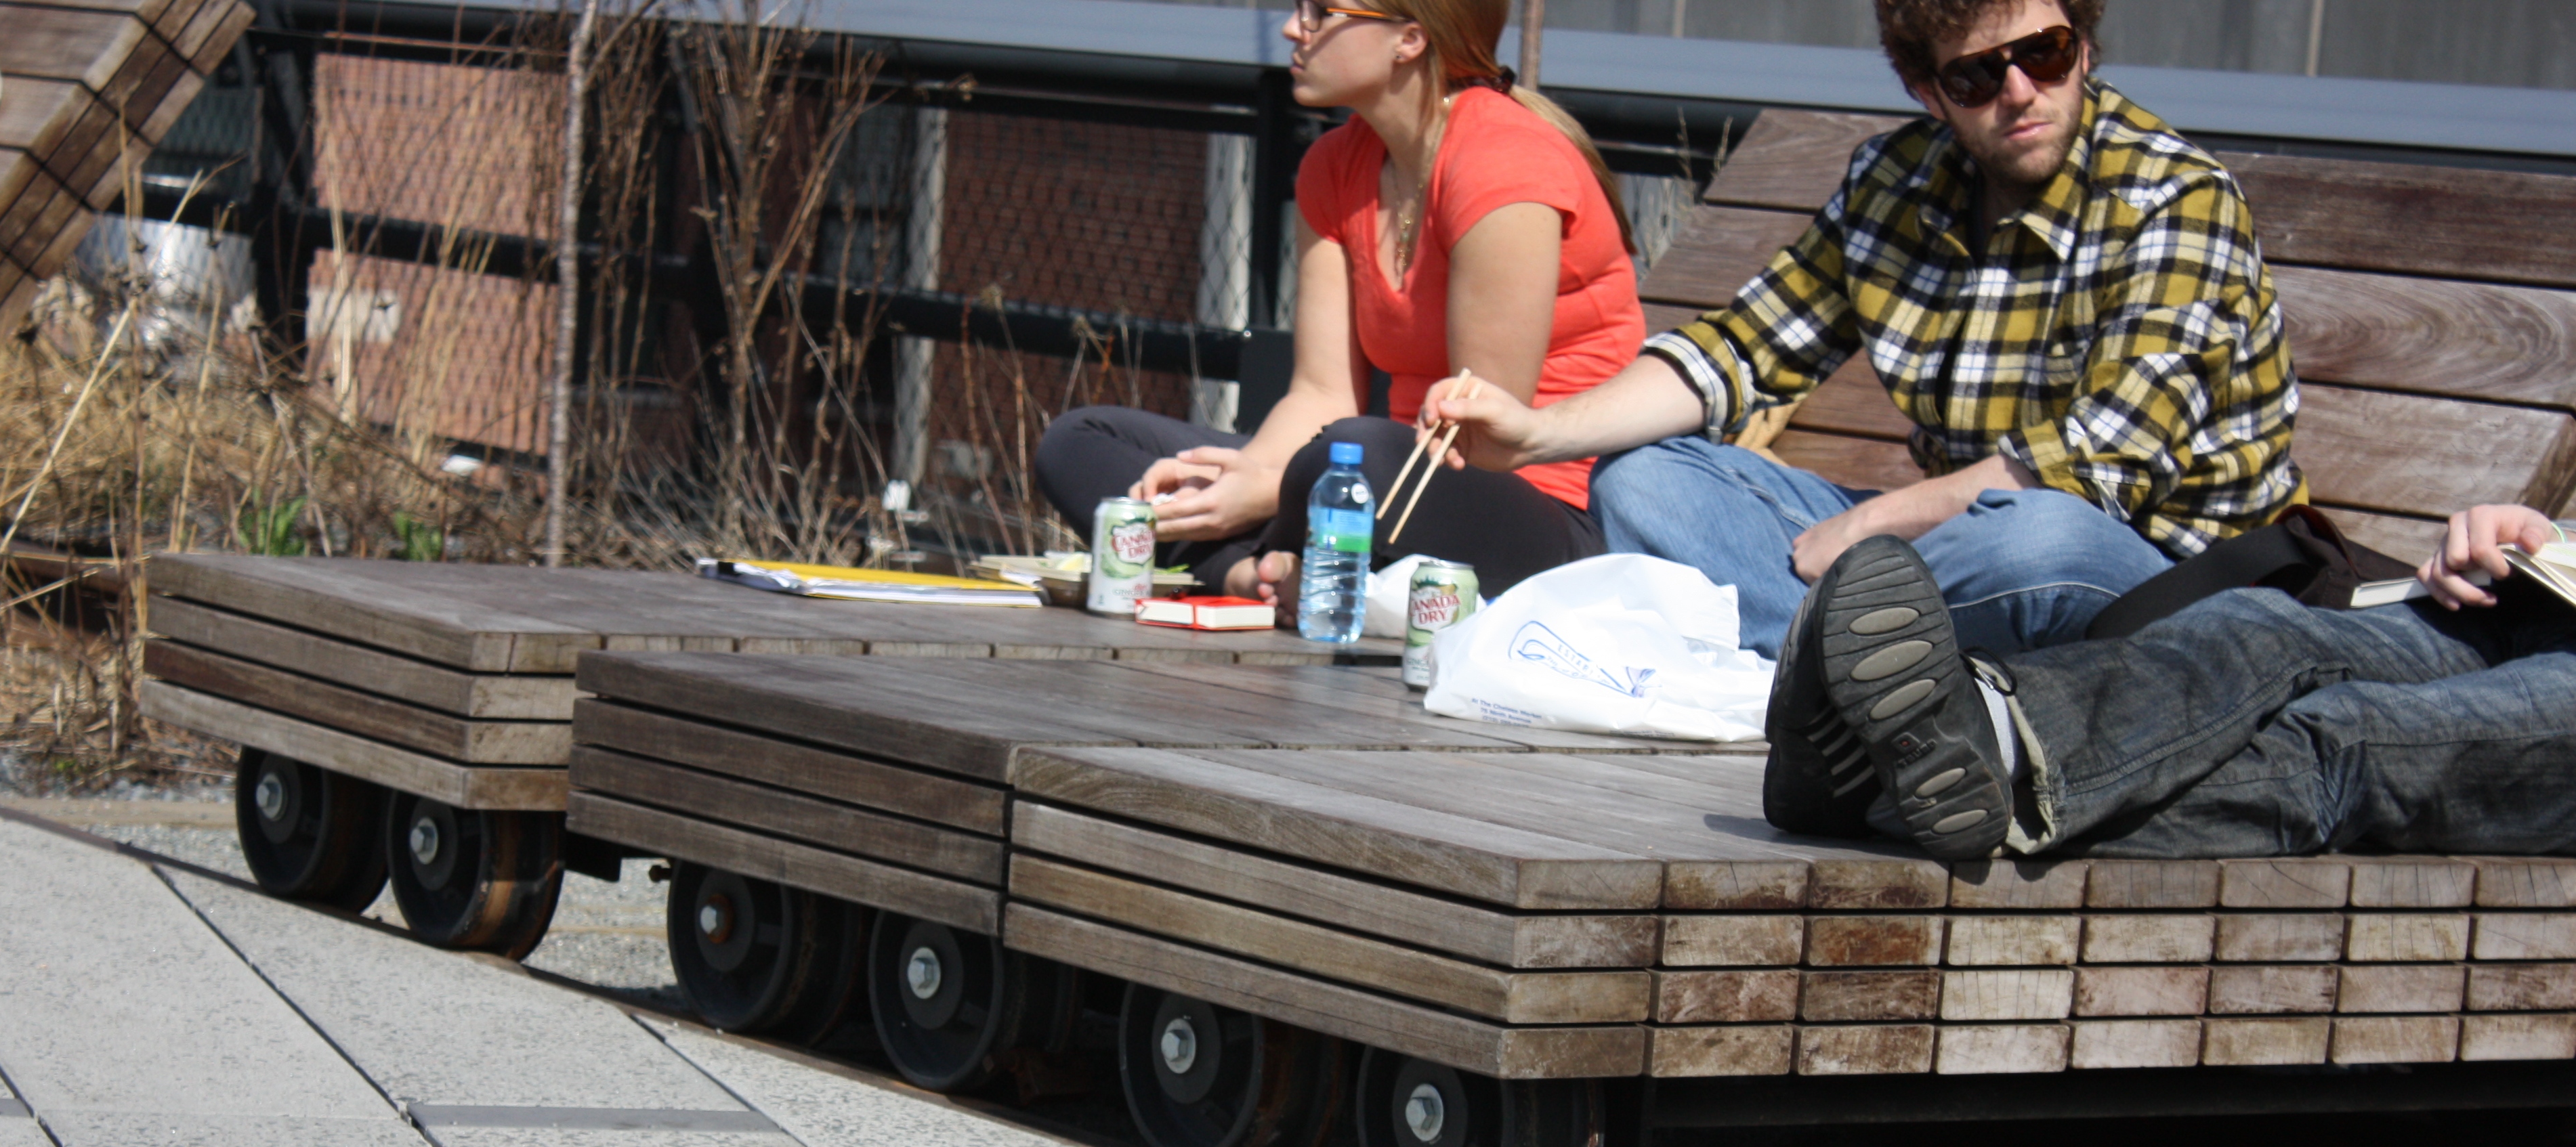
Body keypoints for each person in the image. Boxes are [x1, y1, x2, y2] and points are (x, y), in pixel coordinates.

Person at [1422, 0, 2301, 658]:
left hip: (2160, 578)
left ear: (2084, 41)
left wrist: (1876, 523)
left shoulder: (2172, 199)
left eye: (2045, 53)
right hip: (1951, 554)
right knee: (1642, 481)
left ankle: (1831, 667)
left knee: (2039, 537)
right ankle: (1882, 677)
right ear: (1928, 91)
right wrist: (1539, 433)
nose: (2020, 92)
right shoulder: (1898, 181)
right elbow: (1742, 348)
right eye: (1976, 76)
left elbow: (2100, 469)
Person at [1030, 0, 1642, 603]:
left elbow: (1476, 435)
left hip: (1535, 510)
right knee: (1081, 440)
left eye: (1323, 11)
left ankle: (1264, 564)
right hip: (1376, 484)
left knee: (1354, 456)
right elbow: (1321, 391)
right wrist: (1248, 477)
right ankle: (1253, 576)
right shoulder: (1334, 164)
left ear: (1410, 38)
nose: (1292, 28)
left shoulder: (1504, 162)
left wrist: (1269, 491)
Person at [1774, 508, 2576, 861]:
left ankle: (1883, 783)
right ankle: (1977, 732)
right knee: (2260, 628)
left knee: (2352, 740)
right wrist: (2525, 529)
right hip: (2536, 600)